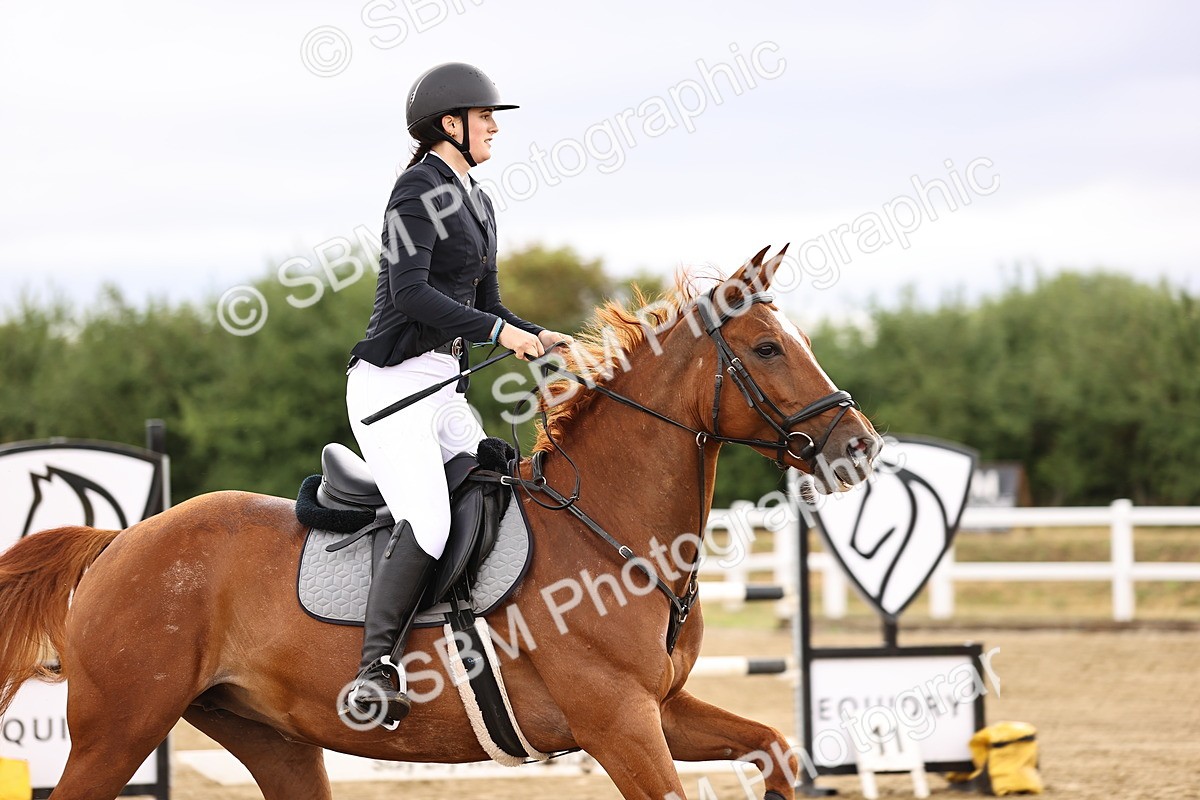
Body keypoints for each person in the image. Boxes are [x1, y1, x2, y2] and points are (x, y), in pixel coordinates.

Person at [343, 62, 570, 729]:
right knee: (431, 519)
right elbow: (411, 292)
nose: (495, 126)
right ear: (452, 124)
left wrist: (540, 336)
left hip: (442, 385)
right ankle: (375, 668)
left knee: (494, 481)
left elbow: (489, 303)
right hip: (391, 384)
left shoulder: (479, 200)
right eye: (485, 116)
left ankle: (466, 628)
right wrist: (503, 333)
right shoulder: (415, 190)